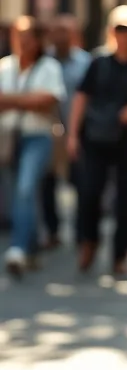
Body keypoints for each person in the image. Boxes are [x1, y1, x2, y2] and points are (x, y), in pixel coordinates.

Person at [71, 5, 127, 276]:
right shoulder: (98, 62)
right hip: (95, 137)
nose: (125, 35)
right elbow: (81, 98)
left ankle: (119, 255)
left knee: (123, 200)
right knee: (90, 193)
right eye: (120, 29)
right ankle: (89, 242)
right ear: (112, 32)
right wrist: (72, 134)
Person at [1, 16, 66, 277]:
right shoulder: (5, 67)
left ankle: (17, 249)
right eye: (19, 36)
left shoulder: (49, 67)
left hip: (37, 138)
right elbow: (35, 100)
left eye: (28, 36)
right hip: (8, 138)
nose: (23, 42)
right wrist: (27, 100)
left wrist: (10, 100)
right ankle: (32, 247)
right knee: (20, 194)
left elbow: (48, 100)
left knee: (26, 189)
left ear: (38, 40)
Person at [41, 14, 92, 249]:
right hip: (49, 133)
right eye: (56, 30)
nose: (60, 35)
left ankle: (82, 233)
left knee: (81, 183)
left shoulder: (86, 62)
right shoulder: (43, 63)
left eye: (65, 30)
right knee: (47, 183)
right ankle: (53, 230)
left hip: (79, 134)